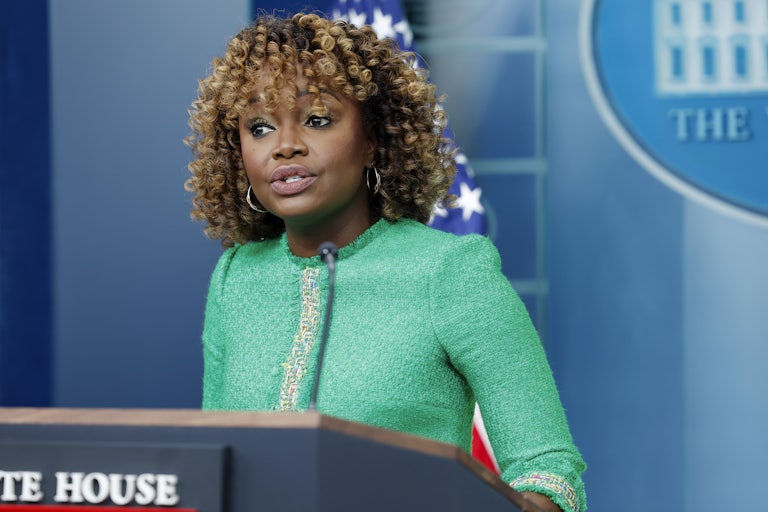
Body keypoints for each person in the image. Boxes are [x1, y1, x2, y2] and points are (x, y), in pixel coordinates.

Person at [185, 12, 586, 512]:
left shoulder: (450, 270)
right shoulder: (236, 278)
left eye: (317, 119)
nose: (285, 146)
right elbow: (216, 466)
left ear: (373, 140)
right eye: (260, 127)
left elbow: (548, 472)